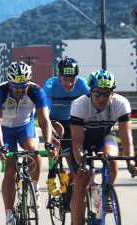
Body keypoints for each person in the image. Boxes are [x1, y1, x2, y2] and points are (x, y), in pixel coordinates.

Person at [0, 61, 56, 225]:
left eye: (23, 85)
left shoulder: (36, 91)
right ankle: (9, 214)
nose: (19, 89)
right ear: (9, 82)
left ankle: (34, 187)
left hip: (24, 127)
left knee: (33, 149)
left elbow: (44, 121)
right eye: (15, 86)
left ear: (29, 82)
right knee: (10, 170)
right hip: (5, 129)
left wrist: (48, 142)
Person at [70, 69, 137, 225]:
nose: (102, 98)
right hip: (83, 141)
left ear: (112, 93)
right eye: (97, 93)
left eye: (106, 94)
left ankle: (106, 193)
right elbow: (77, 141)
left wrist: (130, 163)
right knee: (82, 181)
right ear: (90, 91)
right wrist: (82, 163)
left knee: (112, 160)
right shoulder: (79, 105)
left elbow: (126, 138)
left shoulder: (121, 104)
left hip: (105, 136)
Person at [43, 57, 90, 196]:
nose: (69, 84)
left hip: (71, 120)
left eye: (72, 79)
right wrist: (51, 133)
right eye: (65, 79)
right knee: (58, 133)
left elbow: (91, 104)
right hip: (51, 119)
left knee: (72, 153)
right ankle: (51, 177)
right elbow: (45, 113)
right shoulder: (50, 85)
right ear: (58, 77)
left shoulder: (82, 84)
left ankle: (73, 180)